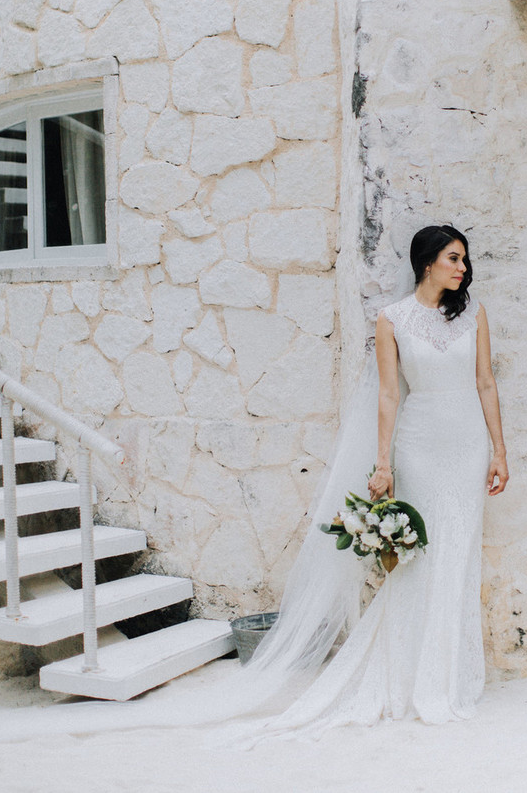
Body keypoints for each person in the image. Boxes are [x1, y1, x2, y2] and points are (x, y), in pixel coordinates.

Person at [170, 225, 509, 742]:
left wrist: (499, 451)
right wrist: (383, 463)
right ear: (426, 263)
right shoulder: (392, 320)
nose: (463, 268)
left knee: (459, 555)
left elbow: (485, 381)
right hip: (420, 445)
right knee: (421, 558)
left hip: (467, 447)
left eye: (464, 260)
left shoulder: (474, 313)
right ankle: (407, 673)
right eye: (454, 258)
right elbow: (390, 396)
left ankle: (448, 673)